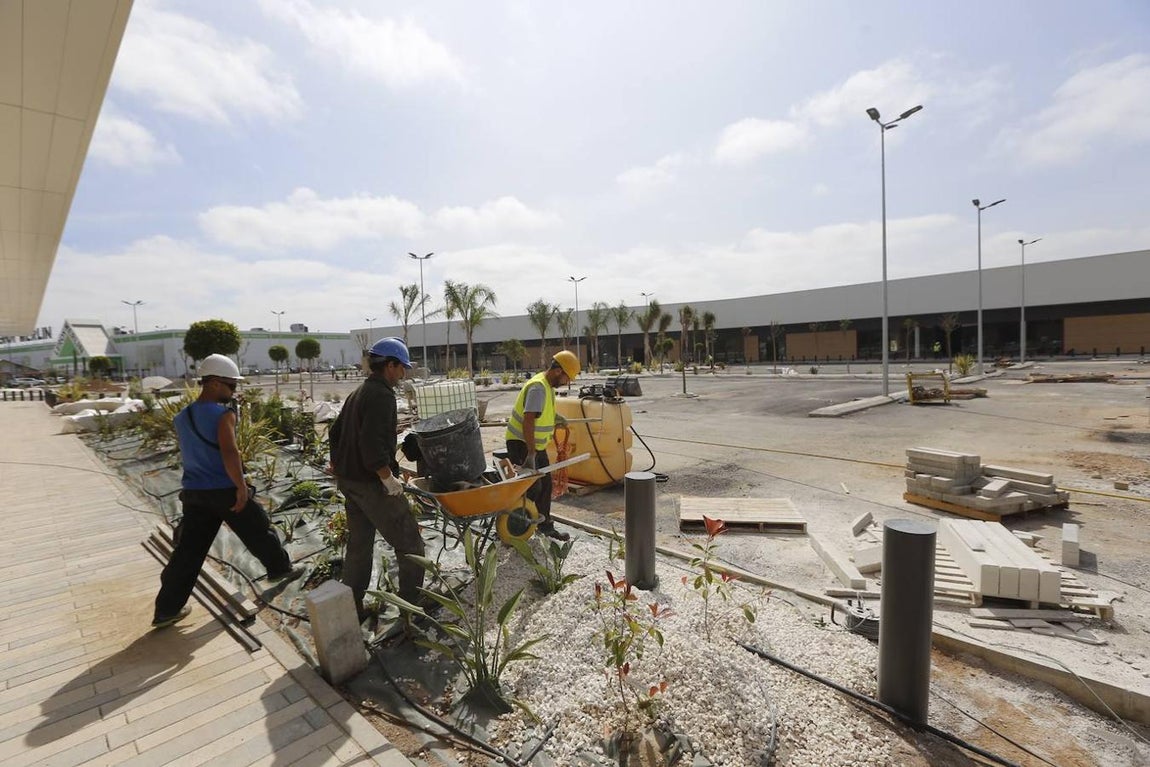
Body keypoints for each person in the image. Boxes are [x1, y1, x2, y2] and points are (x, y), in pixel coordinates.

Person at [152, 354, 296, 628]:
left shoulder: (182, 416)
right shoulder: (223, 415)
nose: (234, 391)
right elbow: (230, 452)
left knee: (188, 553)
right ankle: (280, 570)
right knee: (258, 530)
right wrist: (241, 487)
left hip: (195, 493)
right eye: (231, 386)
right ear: (215, 383)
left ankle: (166, 610)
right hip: (224, 490)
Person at [329, 337, 425, 620]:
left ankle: (353, 606)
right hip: (372, 483)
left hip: (350, 481)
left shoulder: (358, 392)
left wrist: (340, 466)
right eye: (401, 367)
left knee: (359, 545)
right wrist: (388, 480)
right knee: (410, 543)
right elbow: (372, 449)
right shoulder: (382, 395)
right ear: (390, 365)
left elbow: (335, 434)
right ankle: (411, 607)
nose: (403, 373)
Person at [505, 350, 580, 541]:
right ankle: (515, 527)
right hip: (522, 444)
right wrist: (530, 453)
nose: (566, 382)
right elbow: (528, 421)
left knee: (545, 485)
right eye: (567, 378)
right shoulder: (538, 387)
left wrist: (556, 419)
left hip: (535, 446)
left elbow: (540, 415)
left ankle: (545, 526)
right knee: (530, 487)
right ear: (558, 371)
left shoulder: (546, 386)